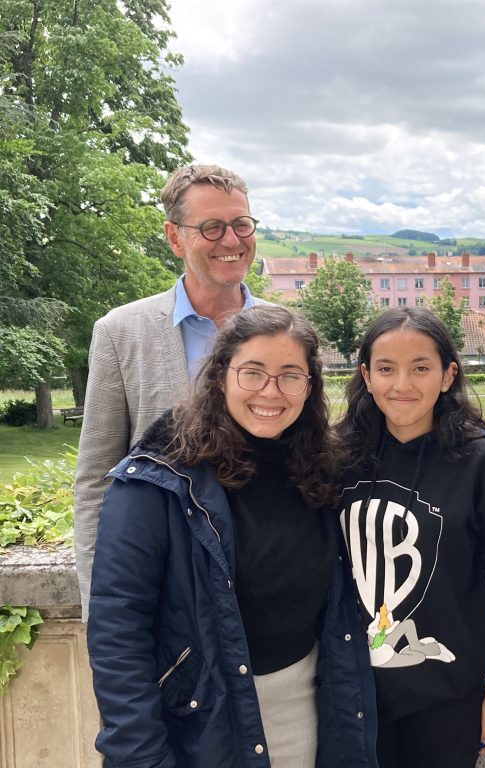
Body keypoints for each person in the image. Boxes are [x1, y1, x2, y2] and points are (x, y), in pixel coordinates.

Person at [87, 305, 377, 767]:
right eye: (252, 372)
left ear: (309, 386)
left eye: (290, 376)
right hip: (199, 722)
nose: (270, 391)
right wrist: (139, 753)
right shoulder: (158, 480)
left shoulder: (320, 467)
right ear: (221, 375)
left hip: (304, 709)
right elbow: (118, 628)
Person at [335, 307, 485, 768]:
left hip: (448, 697)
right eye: (386, 369)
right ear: (366, 376)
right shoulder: (336, 459)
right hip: (352, 693)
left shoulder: (481, 463)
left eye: (420, 368)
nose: (402, 384)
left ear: (448, 376)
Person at [74, 163, 266, 617]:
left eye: (241, 224)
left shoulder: (288, 332)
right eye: (212, 227)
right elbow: (96, 480)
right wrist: (100, 612)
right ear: (174, 237)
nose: (232, 240)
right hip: (166, 588)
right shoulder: (120, 332)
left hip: (267, 583)